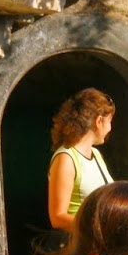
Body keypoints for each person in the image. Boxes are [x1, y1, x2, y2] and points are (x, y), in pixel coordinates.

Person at [47, 88, 115, 233]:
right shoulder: (66, 158)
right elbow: (57, 217)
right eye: (109, 122)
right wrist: (99, 228)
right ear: (98, 121)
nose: (110, 128)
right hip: (79, 246)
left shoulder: (95, 154)